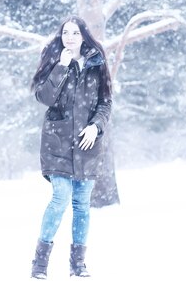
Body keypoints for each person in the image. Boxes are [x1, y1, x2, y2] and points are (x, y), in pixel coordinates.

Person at [29, 15, 112, 279]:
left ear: (84, 36)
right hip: (57, 142)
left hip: (87, 143)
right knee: (60, 197)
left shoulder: (96, 63)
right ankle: (40, 264)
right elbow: (45, 97)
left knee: (82, 204)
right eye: (67, 32)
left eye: (76, 33)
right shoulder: (55, 60)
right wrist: (61, 67)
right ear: (61, 35)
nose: (71, 37)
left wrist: (96, 126)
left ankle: (78, 265)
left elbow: (105, 102)